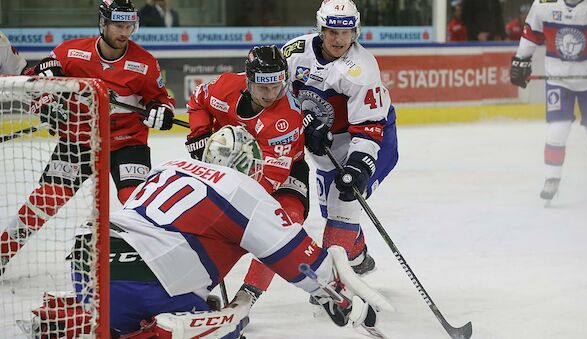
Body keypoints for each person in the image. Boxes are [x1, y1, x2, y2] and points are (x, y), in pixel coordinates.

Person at [30, 125, 394, 337]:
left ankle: (73, 317)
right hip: (147, 281)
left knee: (181, 308)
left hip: (89, 262)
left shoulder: (171, 166)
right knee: (227, 328)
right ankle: (163, 331)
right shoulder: (245, 189)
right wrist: (340, 297)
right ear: (250, 165)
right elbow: (295, 259)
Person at [0, 0, 175, 274]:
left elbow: (161, 100)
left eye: (130, 25)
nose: (125, 31)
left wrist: (161, 111)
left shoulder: (144, 63)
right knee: (44, 200)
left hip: (127, 142)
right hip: (78, 142)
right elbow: (36, 86)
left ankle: (156, 269)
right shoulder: (69, 53)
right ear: (103, 23)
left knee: (139, 205)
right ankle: (2, 254)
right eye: (118, 25)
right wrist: (47, 104)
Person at [282, 0, 399, 279]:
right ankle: (357, 256)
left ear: (355, 32)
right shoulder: (295, 53)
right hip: (326, 147)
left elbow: (370, 125)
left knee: (343, 204)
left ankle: (333, 281)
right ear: (321, 29)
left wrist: (359, 164)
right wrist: (301, 121)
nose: (338, 39)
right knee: (331, 212)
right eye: (332, 31)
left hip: (372, 141)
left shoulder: (362, 69)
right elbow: (276, 94)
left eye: (345, 32)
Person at [185, 45, 309, 304]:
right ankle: (192, 287)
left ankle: (249, 295)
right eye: (263, 87)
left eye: (276, 86)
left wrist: (228, 194)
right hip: (230, 167)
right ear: (248, 80)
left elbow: (271, 178)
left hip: (285, 173)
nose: (271, 94)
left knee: (286, 223)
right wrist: (200, 135)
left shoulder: (285, 119)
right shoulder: (225, 87)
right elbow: (198, 100)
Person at [510, 0, 587, 201]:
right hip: (558, 79)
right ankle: (552, 177)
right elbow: (531, 33)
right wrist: (521, 58)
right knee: (557, 129)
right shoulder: (544, 4)